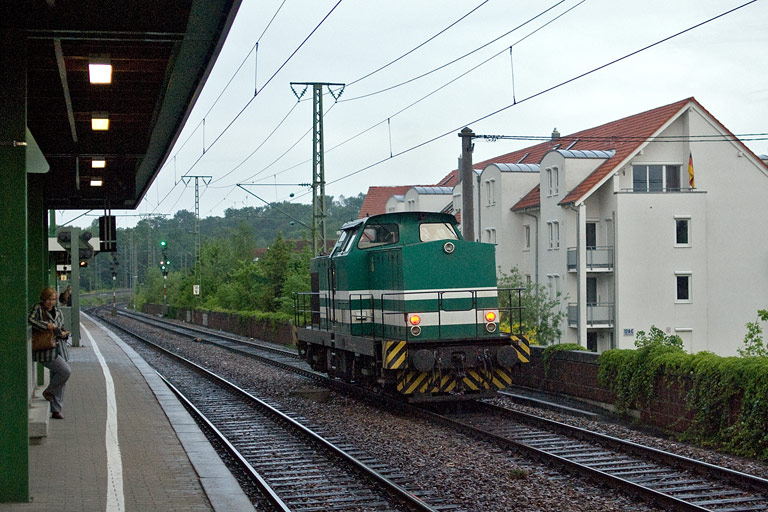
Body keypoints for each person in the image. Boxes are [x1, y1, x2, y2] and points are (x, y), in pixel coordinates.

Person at [28, 287, 71, 419]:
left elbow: (60, 326)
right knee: (65, 371)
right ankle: (49, 392)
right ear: (43, 299)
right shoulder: (38, 308)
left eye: (53, 299)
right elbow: (30, 320)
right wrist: (46, 325)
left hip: (59, 348)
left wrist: (63, 333)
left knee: (59, 378)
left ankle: (56, 409)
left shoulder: (57, 311)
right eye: (48, 299)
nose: (50, 302)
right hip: (45, 349)